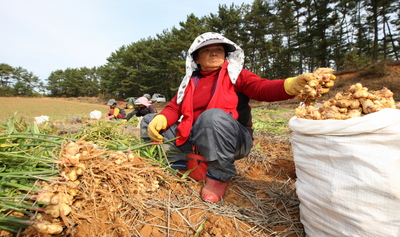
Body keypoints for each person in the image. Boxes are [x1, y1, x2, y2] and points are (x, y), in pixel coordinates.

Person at [139, 32, 333, 202]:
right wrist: (163, 118)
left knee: (212, 116)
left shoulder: (236, 75)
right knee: (149, 120)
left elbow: (262, 88)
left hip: (232, 140)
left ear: (226, 54)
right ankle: (179, 163)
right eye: (207, 50)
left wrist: (291, 85)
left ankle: (218, 176)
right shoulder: (190, 82)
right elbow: (175, 107)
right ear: (196, 59)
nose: (214, 53)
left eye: (218, 49)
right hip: (197, 137)